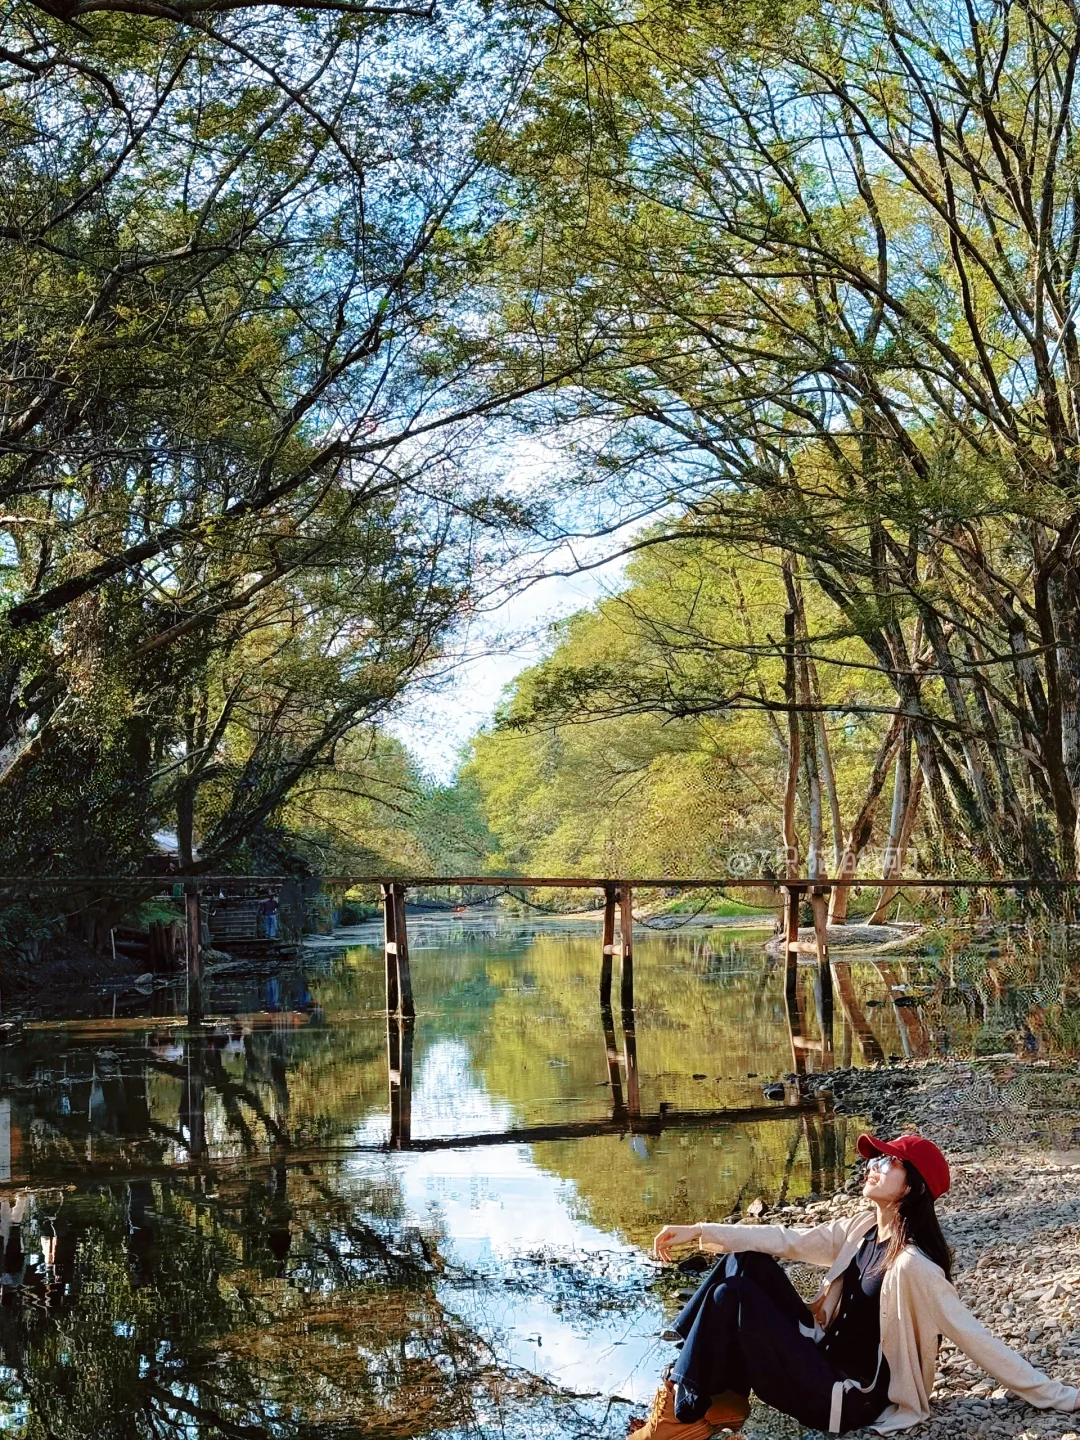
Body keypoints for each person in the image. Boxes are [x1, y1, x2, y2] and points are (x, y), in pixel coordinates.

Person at [641, 1132, 1080, 1438]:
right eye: (874, 1159)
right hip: (817, 1357)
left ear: (912, 1188)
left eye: (887, 1162)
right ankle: (714, 1396)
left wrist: (1059, 1396)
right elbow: (786, 1240)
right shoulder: (861, 1228)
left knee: (729, 1296)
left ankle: (686, 1408)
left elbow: (975, 1337)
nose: (873, 1166)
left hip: (844, 1398)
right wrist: (697, 1229)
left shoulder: (914, 1268)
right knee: (744, 1261)